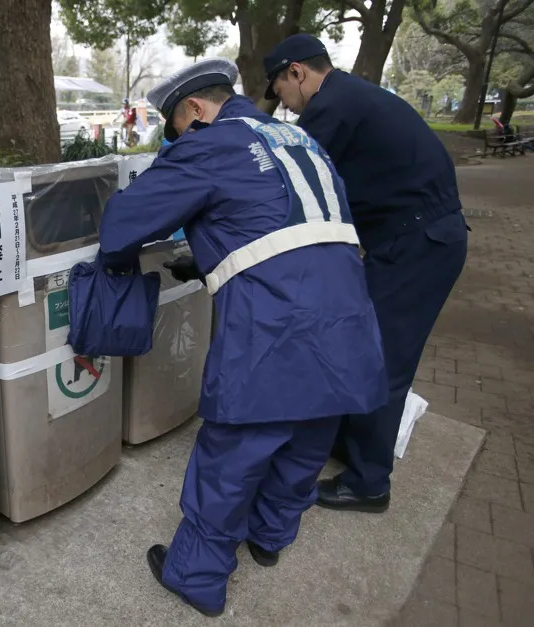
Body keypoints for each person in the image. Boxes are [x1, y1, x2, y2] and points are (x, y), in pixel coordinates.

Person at [98, 58, 387, 617]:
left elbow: (122, 227)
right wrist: (208, 258)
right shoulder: (298, 138)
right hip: (348, 312)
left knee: (235, 450)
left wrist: (117, 261)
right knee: (309, 434)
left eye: (175, 131)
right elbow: (285, 223)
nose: (176, 141)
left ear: (195, 110)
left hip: (276, 322)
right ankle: (271, 537)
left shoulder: (210, 143)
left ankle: (196, 576)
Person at [263, 34, 468, 513]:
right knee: (362, 345)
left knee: (383, 360)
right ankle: (351, 444)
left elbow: (290, 184)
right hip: (412, 237)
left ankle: (370, 482)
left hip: (418, 244)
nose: (285, 105)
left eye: (280, 89)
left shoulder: (331, 106)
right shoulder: (352, 95)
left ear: (296, 72)